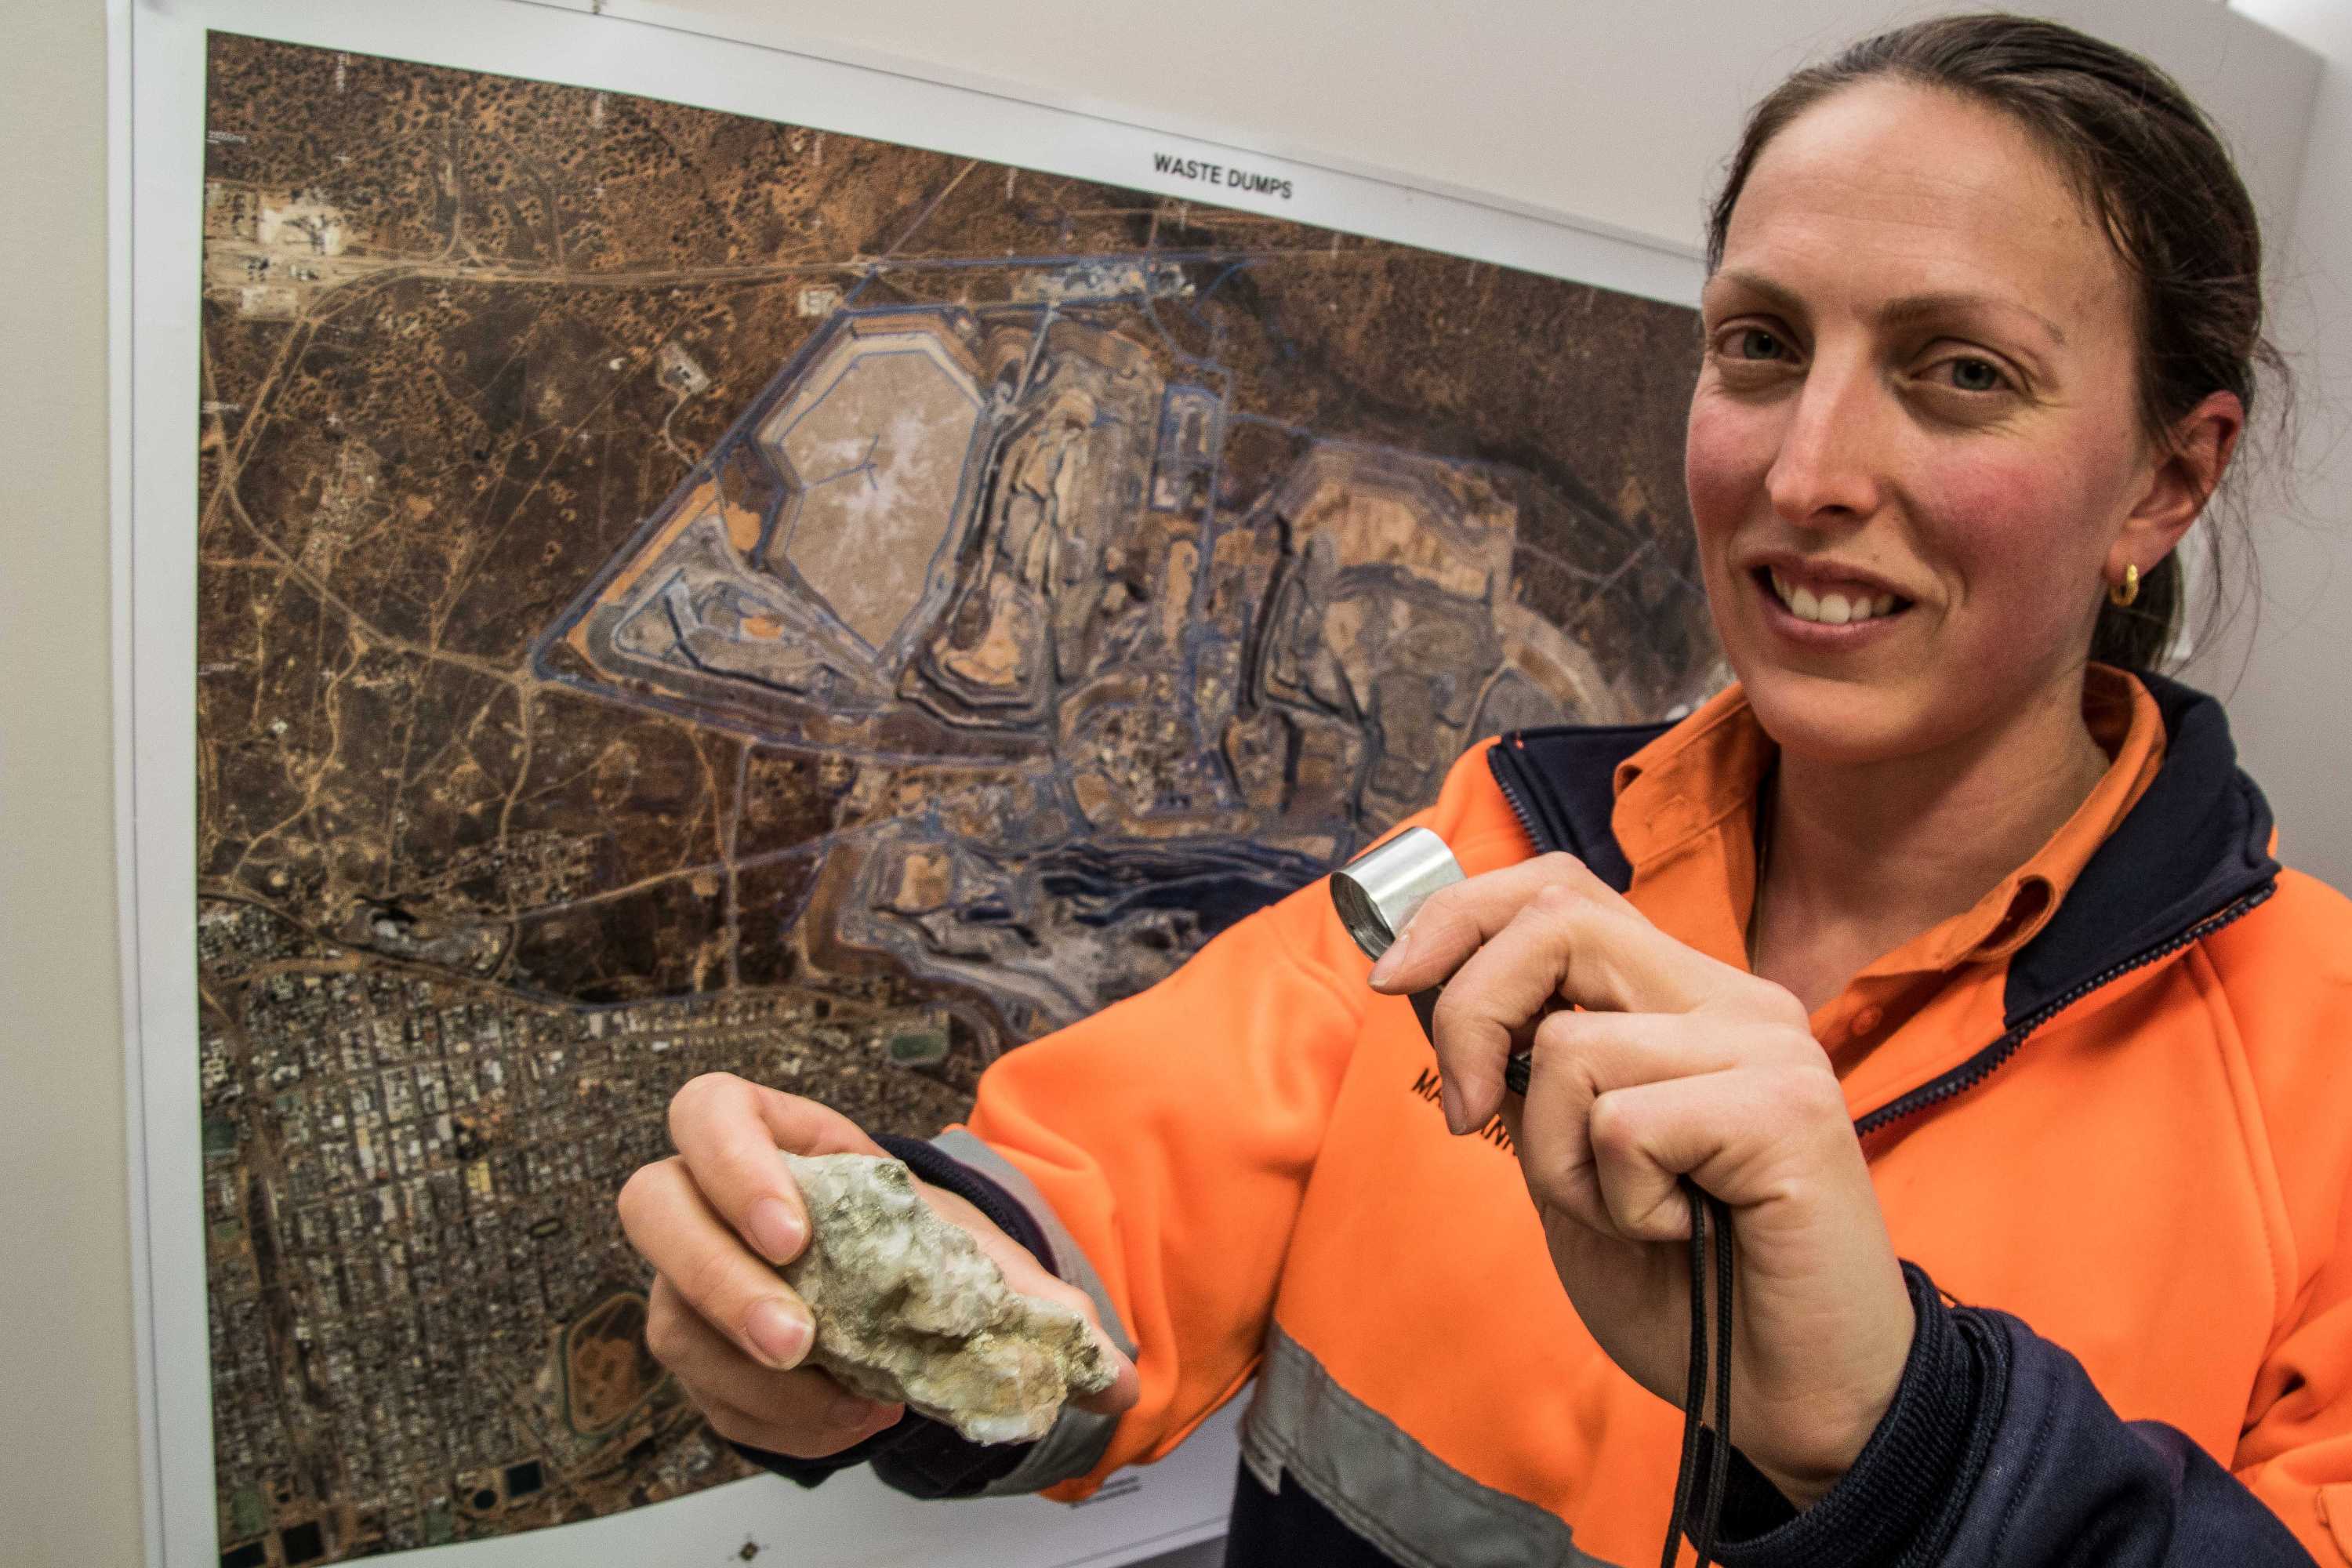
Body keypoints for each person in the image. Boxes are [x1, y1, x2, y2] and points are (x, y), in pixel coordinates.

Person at [617, 14, 2352, 1565]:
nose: (1808, 471)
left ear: (2164, 482)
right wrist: (858, 1291)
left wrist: (1902, 1439)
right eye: (1758, 346)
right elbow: (1119, 1192)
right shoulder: (1498, 843)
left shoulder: (2328, 1076)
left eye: (1960, 372)